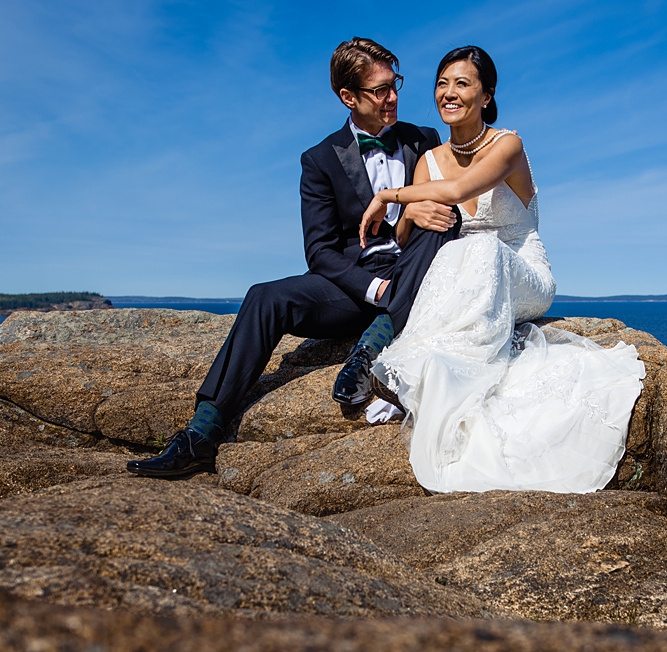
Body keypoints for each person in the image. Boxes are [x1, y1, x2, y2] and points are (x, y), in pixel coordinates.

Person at [128, 37, 460, 478]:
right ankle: (201, 435)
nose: (393, 97)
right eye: (380, 90)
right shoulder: (320, 160)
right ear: (348, 96)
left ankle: (372, 349)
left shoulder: (426, 139)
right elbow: (320, 252)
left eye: (395, 84)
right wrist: (375, 288)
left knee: (441, 219)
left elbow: (456, 211)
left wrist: (414, 209)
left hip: (421, 268)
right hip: (360, 284)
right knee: (264, 296)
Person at [360, 46, 647, 493]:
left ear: (487, 95)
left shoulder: (508, 145)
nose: (448, 93)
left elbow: (456, 189)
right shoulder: (428, 161)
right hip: (463, 276)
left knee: (483, 249)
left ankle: (418, 368)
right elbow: (407, 244)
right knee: (457, 252)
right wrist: (411, 217)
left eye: (462, 83)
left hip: (519, 270)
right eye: (441, 83)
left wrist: (389, 197)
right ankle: (423, 373)